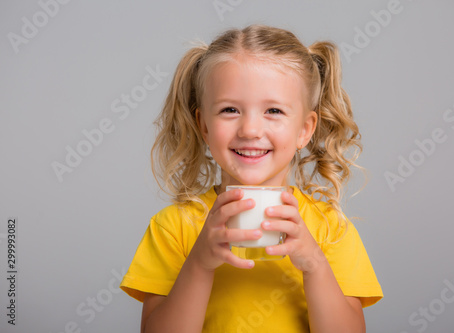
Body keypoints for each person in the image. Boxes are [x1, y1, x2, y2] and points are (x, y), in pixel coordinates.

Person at [120, 24, 383, 333]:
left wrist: (314, 264)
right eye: (230, 109)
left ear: (305, 130)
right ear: (203, 126)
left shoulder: (330, 229)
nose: (250, 130)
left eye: (273, 110)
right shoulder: (174, 227)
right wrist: (200, 263)